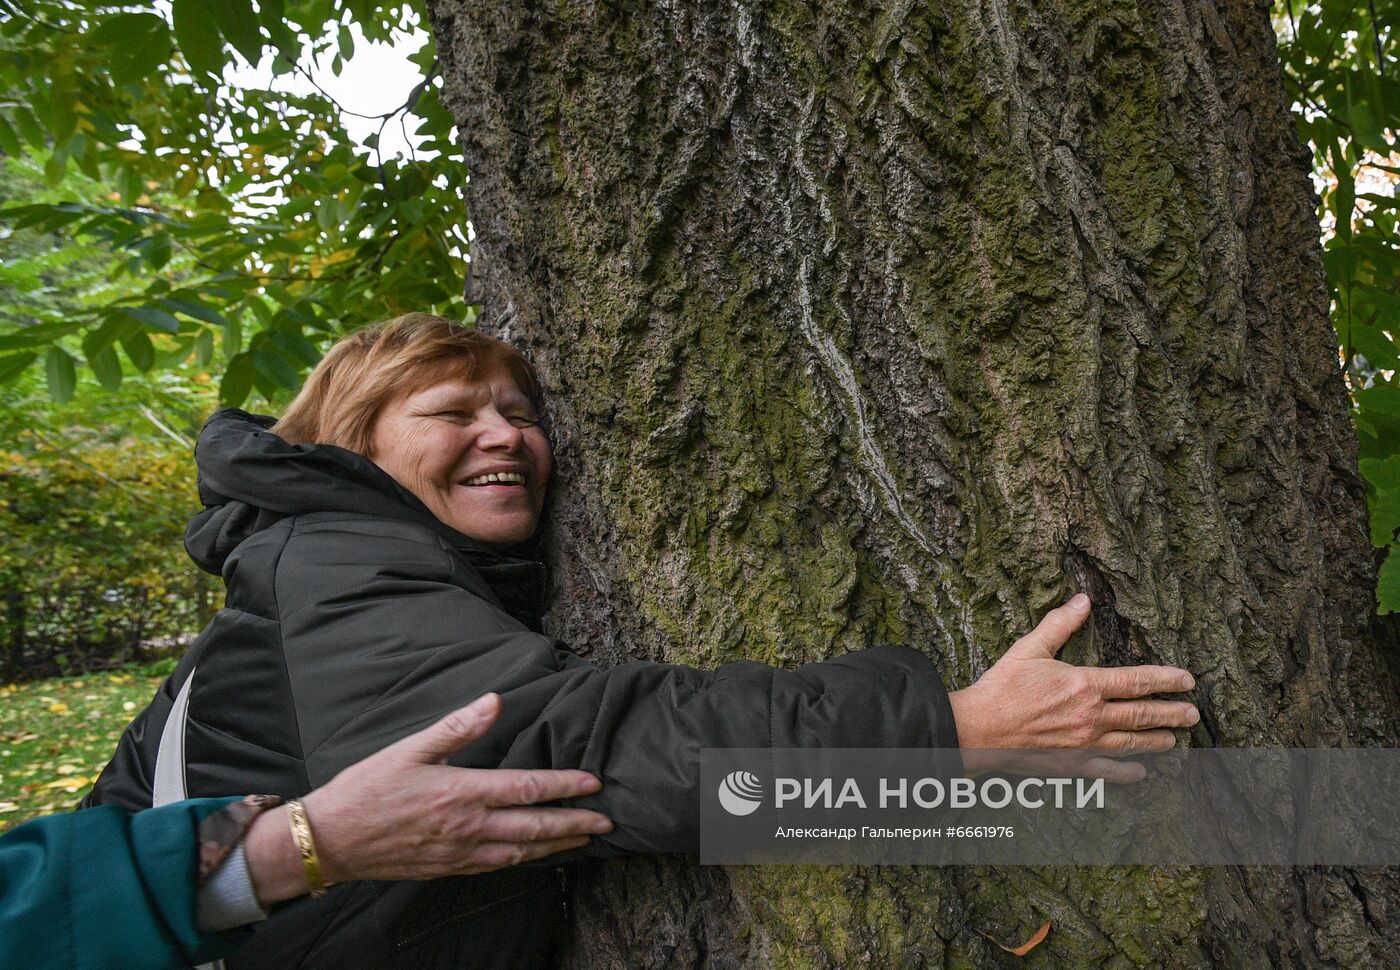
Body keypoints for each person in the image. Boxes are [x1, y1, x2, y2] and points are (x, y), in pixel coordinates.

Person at [86, 313, 1198, 968]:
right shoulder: (334, 561)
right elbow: (581, 748)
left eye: (520, 411)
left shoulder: (301, 576)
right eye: (450, 412)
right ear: (354, 447)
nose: (504, 435)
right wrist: (942, 730)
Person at [3, 694, 610, 970]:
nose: (503, 434)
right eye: (449, 422)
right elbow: (636, 765)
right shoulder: (342, 574)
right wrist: (309, 842)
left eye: (527, 422)